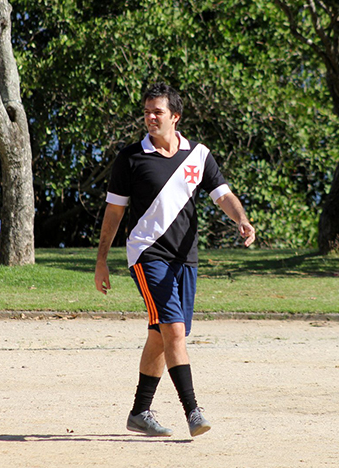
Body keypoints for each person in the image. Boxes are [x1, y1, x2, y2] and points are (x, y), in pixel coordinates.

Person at [94, 83, 255, 437]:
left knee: (162, 333)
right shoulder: (131, 158)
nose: (150, 118)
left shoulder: (198, 155)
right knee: (174, 331)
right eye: (147, 111)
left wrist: (241, 219)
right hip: (146, 254)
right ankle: (193, 411)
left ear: (175, 117)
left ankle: (139, 411)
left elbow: (222, 195)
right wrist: (102, 260)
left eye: (158, 112)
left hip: (186, 258)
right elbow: (114, 212)